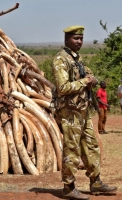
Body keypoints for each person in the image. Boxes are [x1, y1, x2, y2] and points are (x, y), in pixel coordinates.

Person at [52, 25, 117, 200]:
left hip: (83, 111)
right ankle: (68, 187)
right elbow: (63, 87)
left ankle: (96, 182)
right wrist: (84, 81)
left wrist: (92, 79)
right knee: (71, 149)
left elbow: (89, 75)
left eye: (81, 38)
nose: (79, 41)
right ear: (67, 39)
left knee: (92, 146)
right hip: (69, 112)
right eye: (75, 38)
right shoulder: (61, 60)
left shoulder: (77, 59)